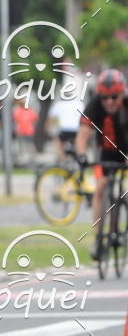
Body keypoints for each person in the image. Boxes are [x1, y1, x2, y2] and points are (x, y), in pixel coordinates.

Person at [74, 69, 128, 259]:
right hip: (105, 153)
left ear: (122, 93)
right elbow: (82, 134)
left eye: (114, 97)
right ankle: (99, 240)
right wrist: (81, 155)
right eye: (105, 98)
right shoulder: (94, 105)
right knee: (100, 189)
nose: (110, 102)